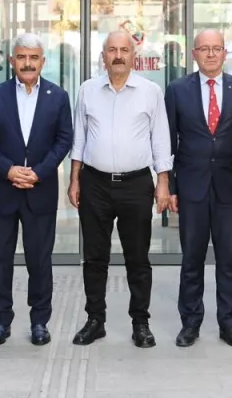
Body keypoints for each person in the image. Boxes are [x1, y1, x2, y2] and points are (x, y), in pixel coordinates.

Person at [67, 30, 172, 348]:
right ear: (103, 56)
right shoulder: (87, 90)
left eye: (124, 50)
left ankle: (141, 323)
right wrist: (74, 179)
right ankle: (95, 320)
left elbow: (160, 138)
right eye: (112, 50)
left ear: (133, 56)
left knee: (137, 258)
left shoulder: (150, 91)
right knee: (94, 257)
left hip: (136, 184)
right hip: (95, 183)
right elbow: (79, 137)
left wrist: (163, 182)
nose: (118, 56)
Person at [0, 32, 74, 348]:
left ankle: (39, 321)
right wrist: (8, 169)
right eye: (21, 57)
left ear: (42, 61)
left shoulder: (58, 96)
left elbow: (64, 139)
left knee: (40, 261)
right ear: (12, 61)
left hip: (40, 191)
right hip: (1, 191)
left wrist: (39, 172)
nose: (27, 63)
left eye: (33, 58)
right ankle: (0, 321)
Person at [165, 29, 232, 349]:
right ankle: (190, 323)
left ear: (224, 53)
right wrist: (171, 186)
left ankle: (228, 324)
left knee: (228, 260)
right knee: (191, 259)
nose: (210, 54)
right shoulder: (177, 90)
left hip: (230, 190)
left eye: (216, 48)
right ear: (194, 54)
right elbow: (168, 141)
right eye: (204, 49)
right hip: (191, 187)